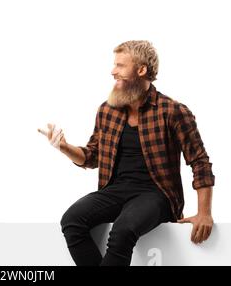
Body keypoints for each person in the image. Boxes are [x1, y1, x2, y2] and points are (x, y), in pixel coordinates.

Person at [38, 40, 215, 266]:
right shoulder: (108, 110)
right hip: (115, 190)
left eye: (120, 66)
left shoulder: (173, 111)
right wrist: (64, 146)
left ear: (141, 70)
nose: (113, 71)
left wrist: (204, 213)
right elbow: (92, 157)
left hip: (157, 194)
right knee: (72, 221)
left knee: (123, 231)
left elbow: (200, 162)